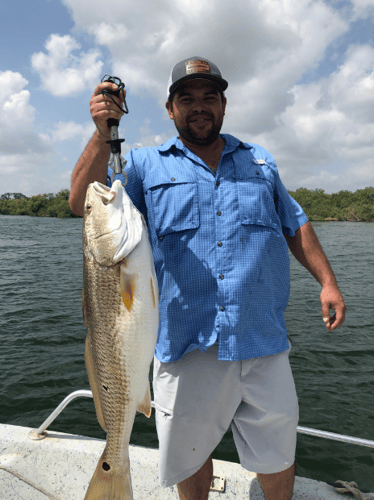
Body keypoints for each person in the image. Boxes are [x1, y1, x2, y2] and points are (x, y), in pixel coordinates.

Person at [69, 56, 346, 500]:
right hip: (185, 344)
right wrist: (103, 133)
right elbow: (83, 201)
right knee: (189, 457)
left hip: (262, 341)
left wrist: (327, 282)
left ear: (223, 104)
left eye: (209, 97)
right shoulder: (141, 166)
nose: (199, 106)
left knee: (277, 455)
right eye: (187, 98)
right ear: (169, 108)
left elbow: (295, 223)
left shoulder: (260, 161)